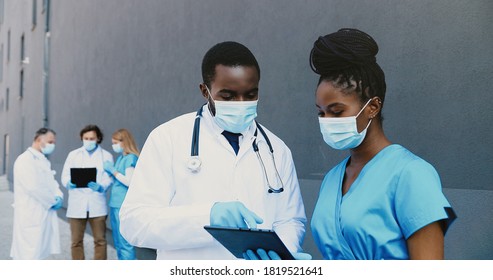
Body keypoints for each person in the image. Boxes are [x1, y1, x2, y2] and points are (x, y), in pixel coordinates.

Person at [120, 41, 307, 260]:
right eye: (228, 96)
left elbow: (291, 219)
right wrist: (207, 216)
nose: (240, 103)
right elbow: (134, 222)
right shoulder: (167, 139)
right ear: (205, 91)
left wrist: (283, 252)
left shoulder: (277, 149)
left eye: (250, 95)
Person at [309, 28, 456, 259]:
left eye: (337, 112)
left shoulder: (411, 174)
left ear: (373, 107)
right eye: (321, 113)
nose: (327, 122)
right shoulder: (331, 180)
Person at [61, 124, 113, 260]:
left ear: (98, 138)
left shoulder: (106, 156)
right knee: (76, 241)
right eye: (86, 138)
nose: (89, 141)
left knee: (100, 240)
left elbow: (109, 178)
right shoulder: (73, 155)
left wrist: (101, 187)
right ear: (82, 138)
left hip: (97, 203)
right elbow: (64, 175)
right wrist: (68, 183)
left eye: (92, 138)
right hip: (77, 203)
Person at [10, 128, 64, 260]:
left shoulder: (43, 160)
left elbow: (51, 182)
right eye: (50, 141)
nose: (53, 145)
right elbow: (33, 187)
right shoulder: (25, 160)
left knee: (40, 253)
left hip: (43, 213)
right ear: (39, 140)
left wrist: (59, 195)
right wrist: (52, 200)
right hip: (31, 214)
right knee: (28, 254)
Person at [103, 129, 140, 260]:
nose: (114, 146)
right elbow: (118, 179)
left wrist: (113, 171)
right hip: (115, 203)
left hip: (122, 204)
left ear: (124, 142)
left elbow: (130, 182)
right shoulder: (121, 158)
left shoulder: (131, 158)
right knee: (118, 241)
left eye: (115, 142)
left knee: (124, 242)